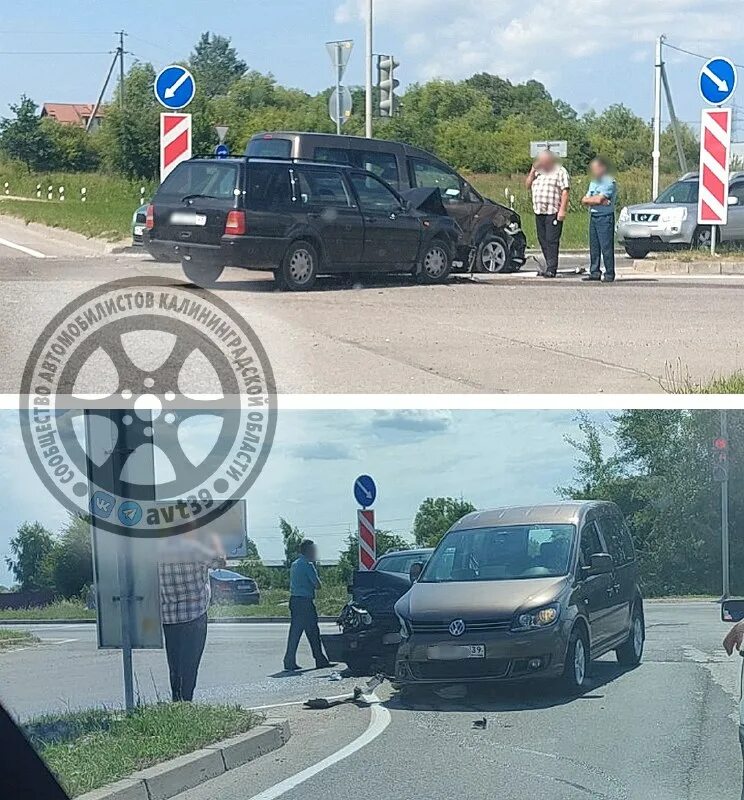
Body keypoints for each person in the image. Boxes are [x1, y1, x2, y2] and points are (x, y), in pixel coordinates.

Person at [158, 528, 226, 702]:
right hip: (195, 615)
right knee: (190, 664)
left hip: (169, 617)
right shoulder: (195, 549)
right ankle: (186, 702)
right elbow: (220, 562)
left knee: (174, 665)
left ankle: (177, 700)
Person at [283, 539, 332, 671]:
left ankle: (290, 660)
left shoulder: (295, 564)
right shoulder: (307, 565)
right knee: (313, 631)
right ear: (308, 551)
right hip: (305, 601)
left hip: (294, 600)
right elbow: (317, 585)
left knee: (296, 632)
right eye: (313, 550)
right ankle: (319, 659)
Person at [526, 150, 570, 278]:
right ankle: (548, 264)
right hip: (539, 211)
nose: (541, 163)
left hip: (553, 211)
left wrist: (562, 210)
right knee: (542, 239)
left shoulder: (560, 171)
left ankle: (552, 268)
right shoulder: (538, 172)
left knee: (551, 240)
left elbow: (565, 191)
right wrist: (532, 172)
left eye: (543, 160)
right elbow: (527, 185)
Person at [581, 157, 617, 283]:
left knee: (606, 246)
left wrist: (594, 200)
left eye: (596, 169)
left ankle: (609, 273)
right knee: (594, 246)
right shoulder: (594, 182)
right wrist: (593, 200)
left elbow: (598, 200)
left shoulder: (608, 182)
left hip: (605, 217)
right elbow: (585, 199)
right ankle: (595, 272)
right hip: (594, 216)